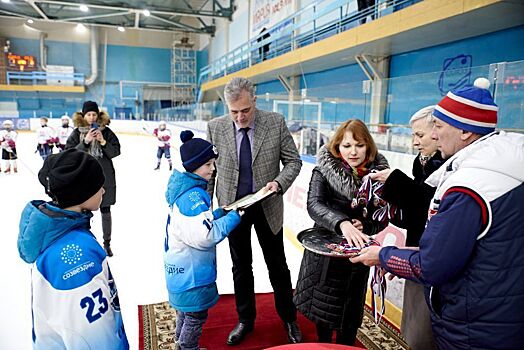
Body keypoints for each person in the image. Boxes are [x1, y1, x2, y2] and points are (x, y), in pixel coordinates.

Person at [351, 78, 524, 349]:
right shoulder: (505, 167)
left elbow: (433, 264)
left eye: (439, 127)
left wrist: (383, 256)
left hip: (475, 325)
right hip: (503, 313)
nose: (433, 136)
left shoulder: (471, 186)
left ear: (466, 132)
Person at [206, 77, 303, 345]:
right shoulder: (215, 127)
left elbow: (293, 162)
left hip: (267, 205)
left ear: (255, 102)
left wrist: (279, 183)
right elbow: (209, 171)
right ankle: (245, 320)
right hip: (232, 210)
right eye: (233, 111)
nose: (240, 117)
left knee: (278, 266)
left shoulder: (275, 122)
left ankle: (288, 318)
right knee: (241, 267)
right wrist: (205, 205)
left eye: (245, 110)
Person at [17, 148, 129, 349]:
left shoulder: (65, 230)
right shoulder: (76, 258)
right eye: (98, 186)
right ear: (81, 194)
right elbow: (93, 338)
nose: (104, 190)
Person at [293, 119, 389, 345]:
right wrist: (342, 223)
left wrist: (365, 226)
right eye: (347, 146)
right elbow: (314, 205)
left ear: (369, 146)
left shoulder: (380, 175)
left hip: (357, 257)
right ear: (337, 147)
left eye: (359, 145)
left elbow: (382, 216)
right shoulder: (323, 171)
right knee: (324, 314)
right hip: (325, 256)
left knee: (350, 316)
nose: (353, 152)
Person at [369, 106, 442, 350]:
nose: (414, 142)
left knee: (425, 331)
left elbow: (428, 205)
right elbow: (414, 214)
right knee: (414, 325)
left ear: (438, 130)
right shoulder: (421, 163)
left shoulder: (451, 168)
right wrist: (388, 206)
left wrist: (394, 181)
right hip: (417, 250)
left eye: (419, 136)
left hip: (434, 259)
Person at [164, 130, 243, 350]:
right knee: (195, 316)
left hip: (180, 270)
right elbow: (205, 236)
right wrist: (234, 218)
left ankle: (180, 342)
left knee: (185, 312)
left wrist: (217, 214)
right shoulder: (194, 197)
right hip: (192, 275)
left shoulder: (186, 190)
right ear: (193, 166)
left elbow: (195, 224)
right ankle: (187, 347)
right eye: (208, 164)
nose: (213, 169)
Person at [66, 101, 121, 257]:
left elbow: (116, 152)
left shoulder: (107, 132)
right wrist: (85, 142)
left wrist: (103, 141)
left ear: (98, 115)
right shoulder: (77, 133)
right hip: (83, 177)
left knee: (106, 210)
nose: (91, 117)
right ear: (83, 116)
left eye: (94, 114)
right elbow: (69, 154)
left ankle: (107, 243)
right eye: (88, 114)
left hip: (105, 178)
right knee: (82, 212)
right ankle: (85, 242)